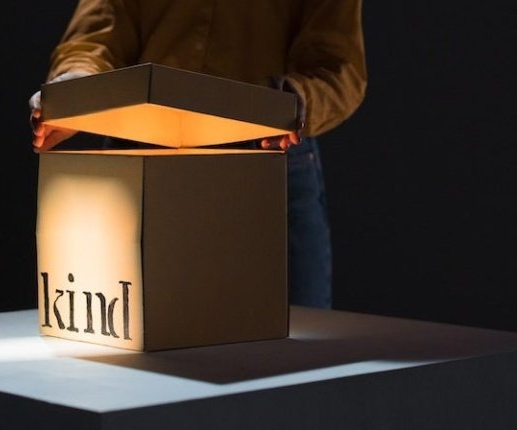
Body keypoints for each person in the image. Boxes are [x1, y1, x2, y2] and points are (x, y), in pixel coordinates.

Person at [29, 0, 367, 309]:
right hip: (144, 155)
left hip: (265, 158)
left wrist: (293, 101)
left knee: (290, 346)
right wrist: (77, 91)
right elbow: (99, 33)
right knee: (136, 347)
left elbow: (336, 64)